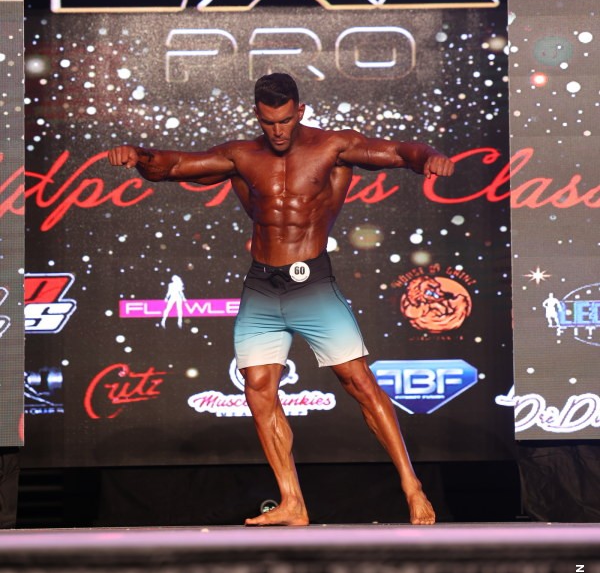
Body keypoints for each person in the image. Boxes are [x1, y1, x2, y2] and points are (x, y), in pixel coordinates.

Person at [107, 73, 455, 526]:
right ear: (258, 115)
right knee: (258, 391)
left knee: (359, 383)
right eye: (269, 122)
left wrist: (428, 157)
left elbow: (398, 152)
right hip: (261, 287)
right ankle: (292, 502)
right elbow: (172, 167)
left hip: (313, 285)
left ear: (300, 111)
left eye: (286, 120)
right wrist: (138, 156)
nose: (278, 131)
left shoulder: (332, 147)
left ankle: (412, 488)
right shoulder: (241, 155)